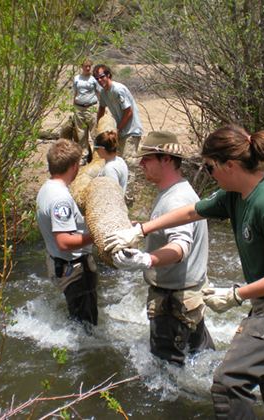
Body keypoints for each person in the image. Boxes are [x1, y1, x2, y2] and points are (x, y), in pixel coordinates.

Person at [105, 125, 264, 419]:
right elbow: (191, 211)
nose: (209, 175)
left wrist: (236, 295)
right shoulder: (235, 194)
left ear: (230, 165)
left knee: (227, 382)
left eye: (210, 168)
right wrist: (140, 230)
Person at [107, 131, 215, 366]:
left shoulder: (175, 199)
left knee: (167, 375)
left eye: (147, 158)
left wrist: (146, 259)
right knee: (202, 361)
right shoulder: (174, 191)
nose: (141, 163)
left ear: (166, 159)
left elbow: (180, 247)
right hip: (187, 299)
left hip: (174, 304)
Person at [36, 138, 98, 326]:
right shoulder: (61, 198)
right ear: (74, 166)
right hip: (75, 270)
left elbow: (67, 224)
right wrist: (98, 235)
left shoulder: (46, 189)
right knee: (86, 328)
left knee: (76, 319)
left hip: (60, 264)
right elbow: (64, 240)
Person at [93, 64, 143, 203]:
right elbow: (101, 110)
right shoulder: (103, 92)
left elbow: (129, 112)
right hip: (120, 132)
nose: (99, 80)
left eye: (102, 76)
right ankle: (117, 197)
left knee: (128, 164)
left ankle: (128, 200)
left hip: (130, 131)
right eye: (96, 78)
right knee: (116, 162)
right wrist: (99, 130)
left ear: (108, 75)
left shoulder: (118, 89)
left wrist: (118, 130)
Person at [71, 59, 101, 162]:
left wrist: (99, 106)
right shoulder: (76, 79)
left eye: (89, 66)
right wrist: (73, 108)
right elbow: (75, 93)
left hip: (91, 108)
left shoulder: (94, 79)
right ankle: (84, 157)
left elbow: (98, 93)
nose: (87, 68)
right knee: (81, 134)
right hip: (79, 108)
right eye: (85, 66)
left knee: (94, 133)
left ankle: (98, 156)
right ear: (82, 67)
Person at [94, 130, 129, 196]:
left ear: (101, 149)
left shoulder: (109, 170)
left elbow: (113, 195)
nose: (95, 151)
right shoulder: (120, 160)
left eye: (95, 148)